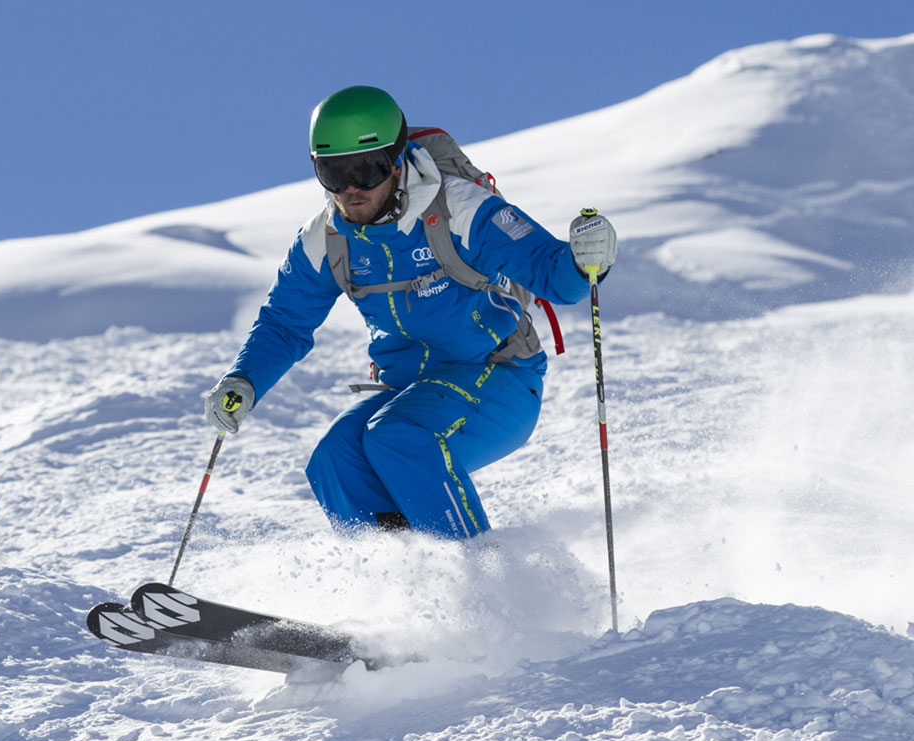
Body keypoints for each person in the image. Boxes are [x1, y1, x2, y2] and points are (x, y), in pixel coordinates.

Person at [205, 85, 616, 539]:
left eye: (366, 169)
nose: (351, 189)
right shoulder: (326, 239)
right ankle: (397, 583)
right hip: (412, 390)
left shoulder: (459, 208)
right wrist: (245, 379)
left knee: (396, 436)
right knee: (334, 459)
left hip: (498, 378)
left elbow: (551, 274)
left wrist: (584, 261)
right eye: (333, 173)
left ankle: (483, 577)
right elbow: (284, 322)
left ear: (397, 161)